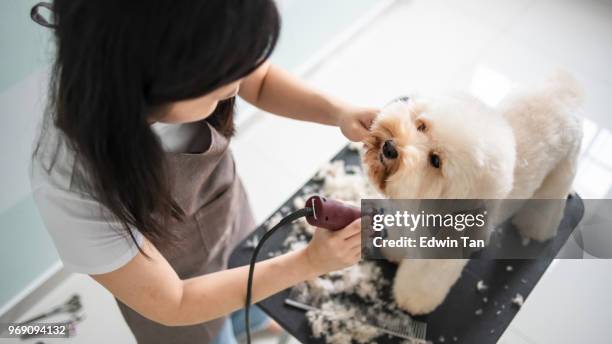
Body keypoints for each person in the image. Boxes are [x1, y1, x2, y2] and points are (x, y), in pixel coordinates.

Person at [30, 0, 377, 343]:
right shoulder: (72, 181)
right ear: (162, 82)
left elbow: (258, 79)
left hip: (225, 217)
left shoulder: (197, 38)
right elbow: (175, 302)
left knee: (253, 288)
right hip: (177, 296)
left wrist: (338, 113)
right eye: (223, 82)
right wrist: (308, 263)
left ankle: (251, 322)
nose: (236, 87)